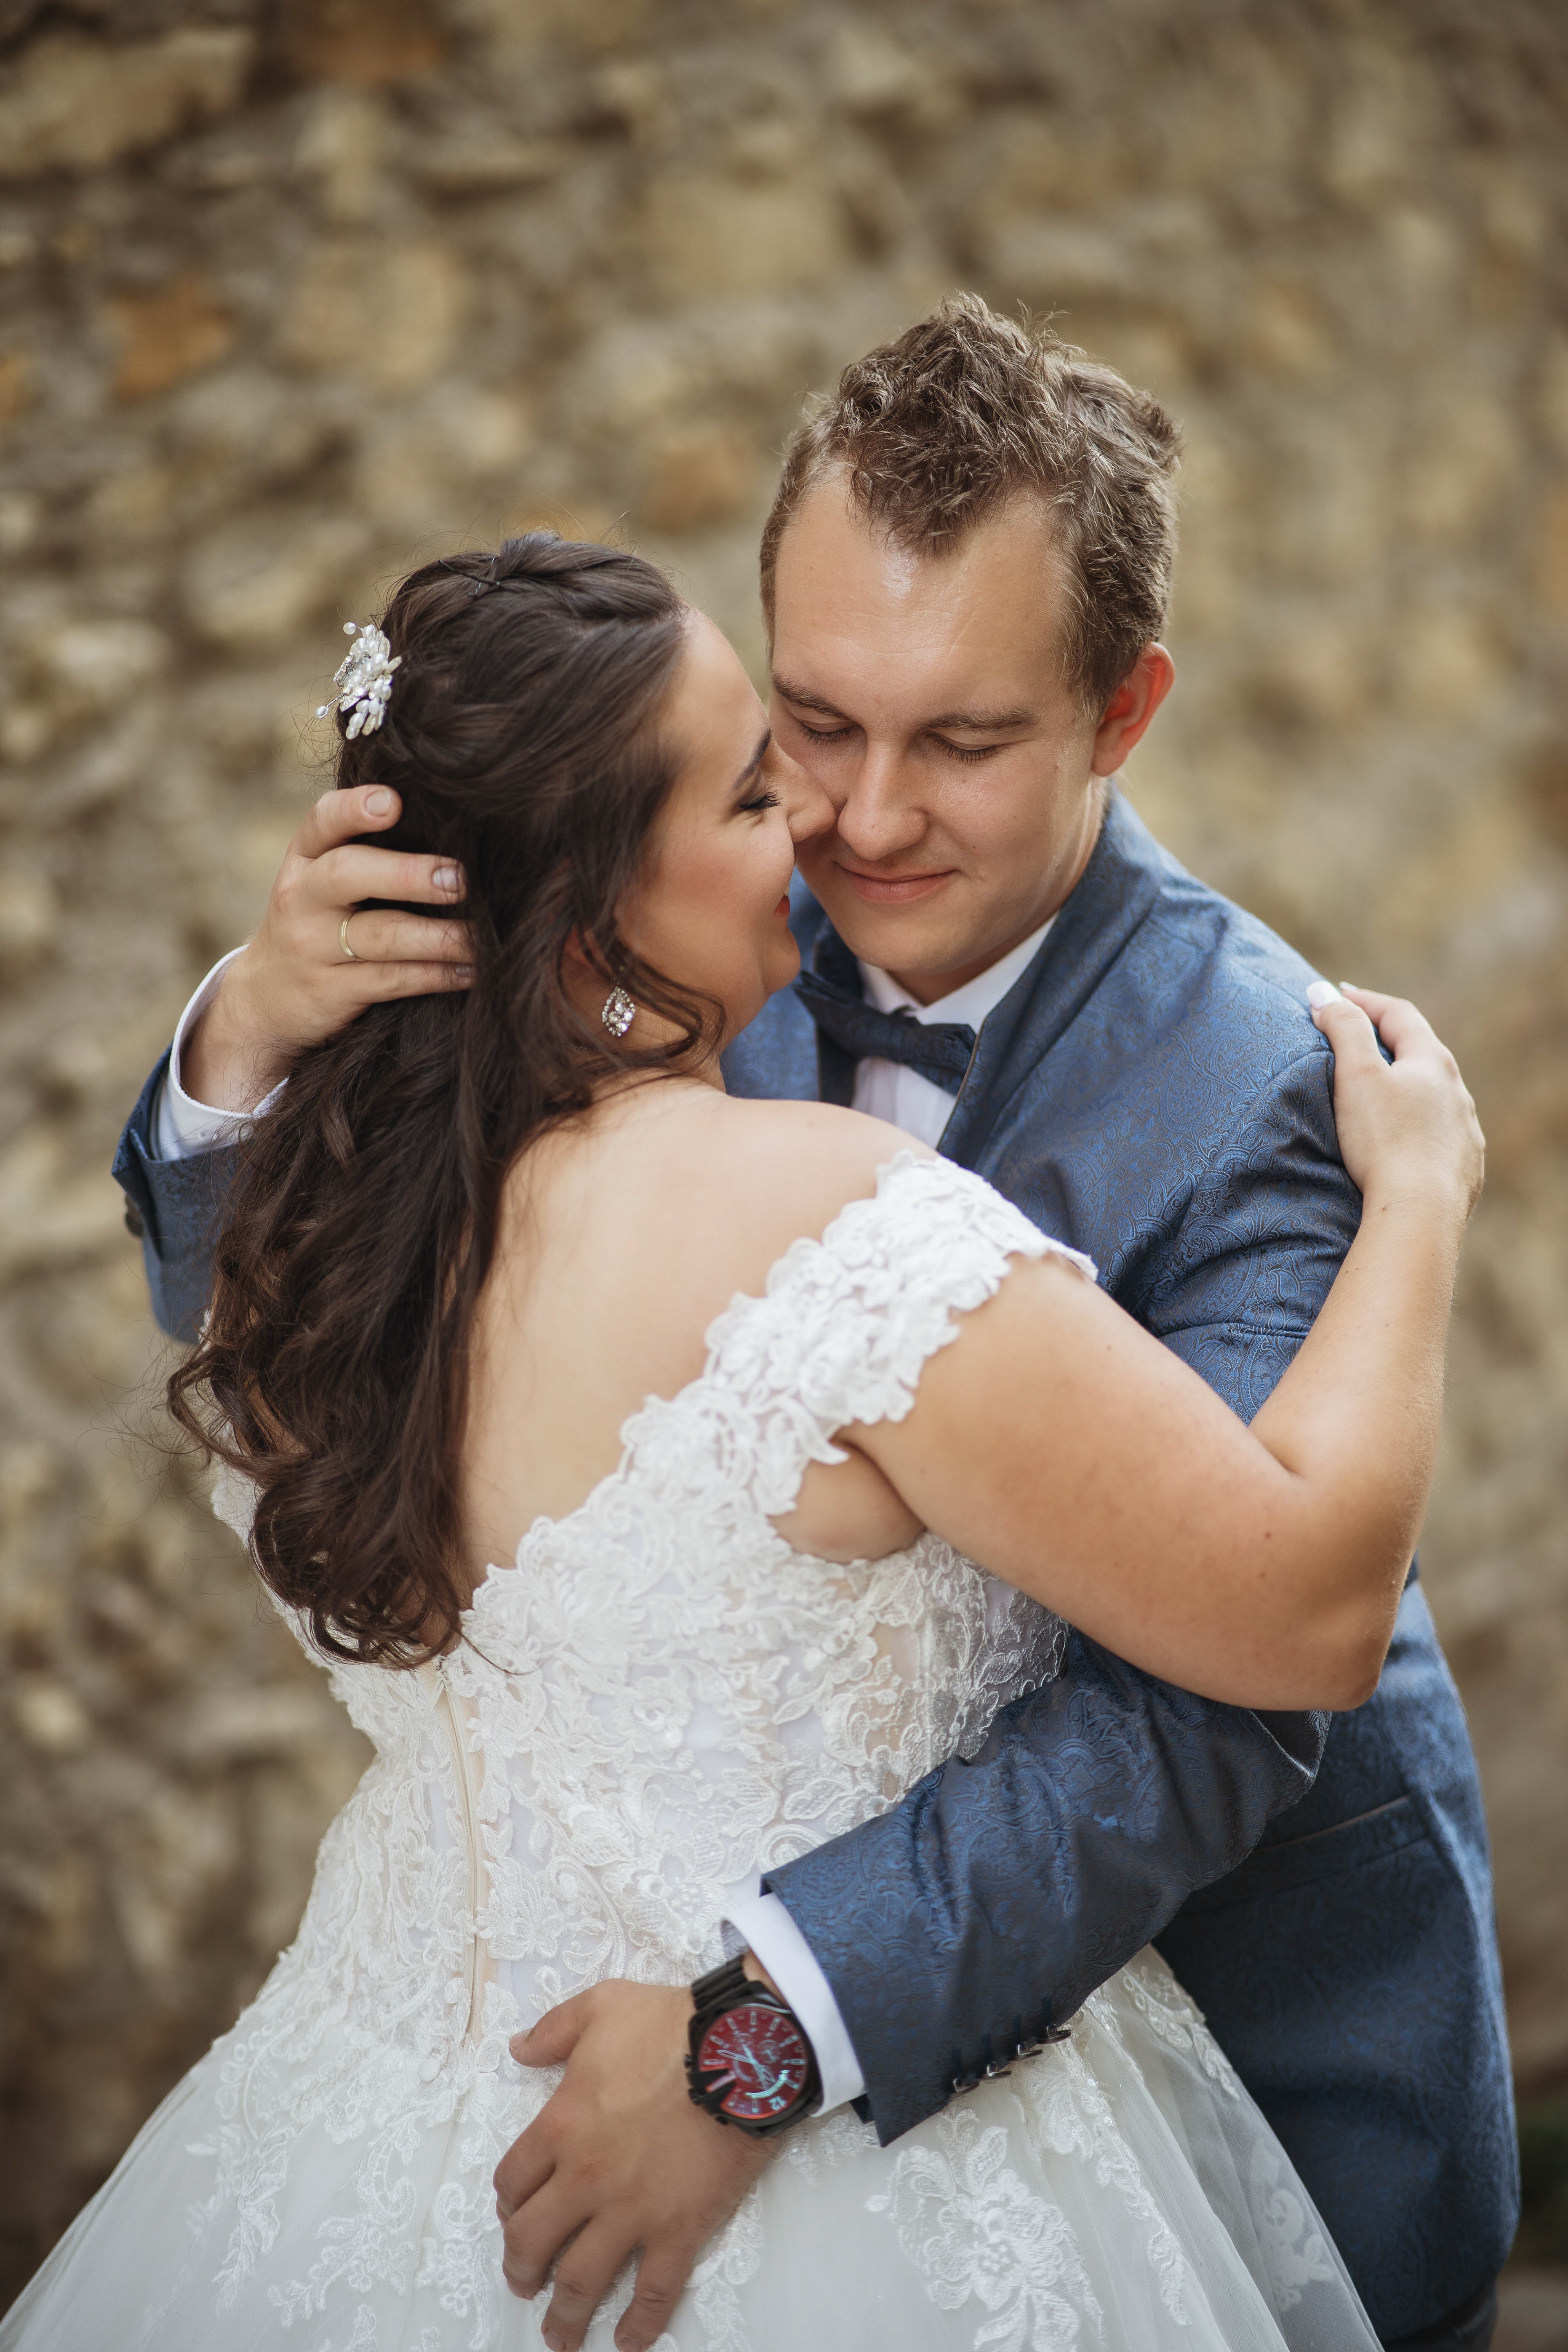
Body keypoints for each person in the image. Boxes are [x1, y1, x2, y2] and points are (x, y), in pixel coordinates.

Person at [105, 302, 1512, 2352]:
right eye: (814, 731)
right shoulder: (653, 944)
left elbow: (1218, 1692)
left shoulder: (1257, 1090)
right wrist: (248, 1041)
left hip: (1201, 2086)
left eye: (964, 742)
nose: (860, 820)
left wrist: (767, 2028)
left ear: (1123, 711)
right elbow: (340, 1330)